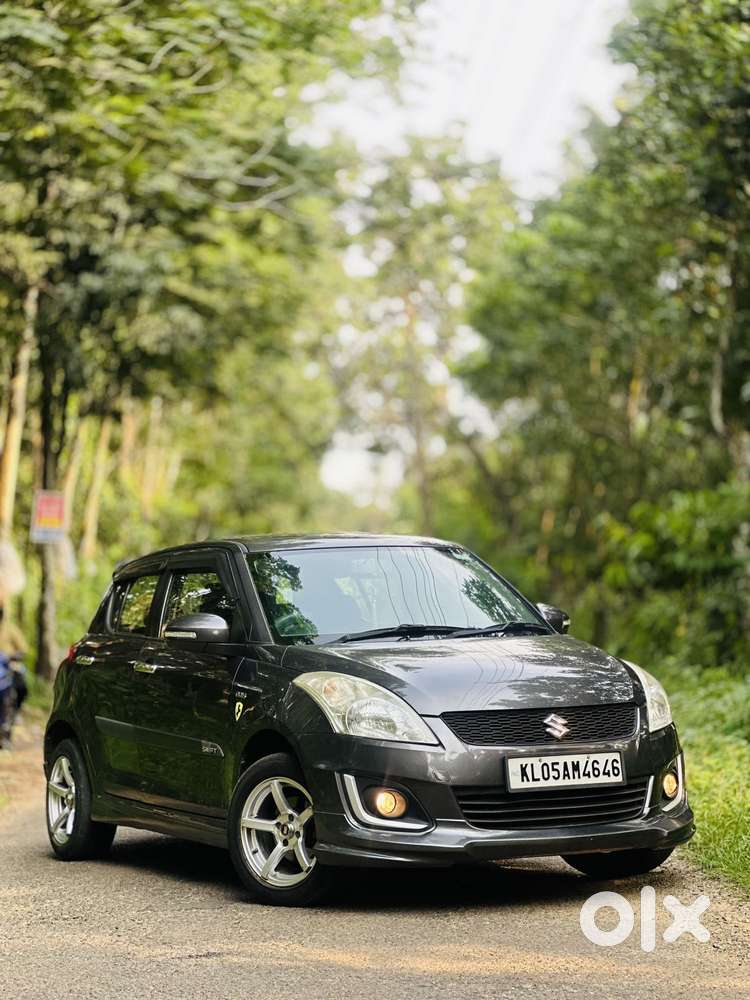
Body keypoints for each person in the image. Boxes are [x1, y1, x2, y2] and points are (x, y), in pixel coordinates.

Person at [0, 602, 28, 748]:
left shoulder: (10, 629)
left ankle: (15, 713)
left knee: (21, 686)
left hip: (8, 667)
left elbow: (23, 648)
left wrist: (13, 657)